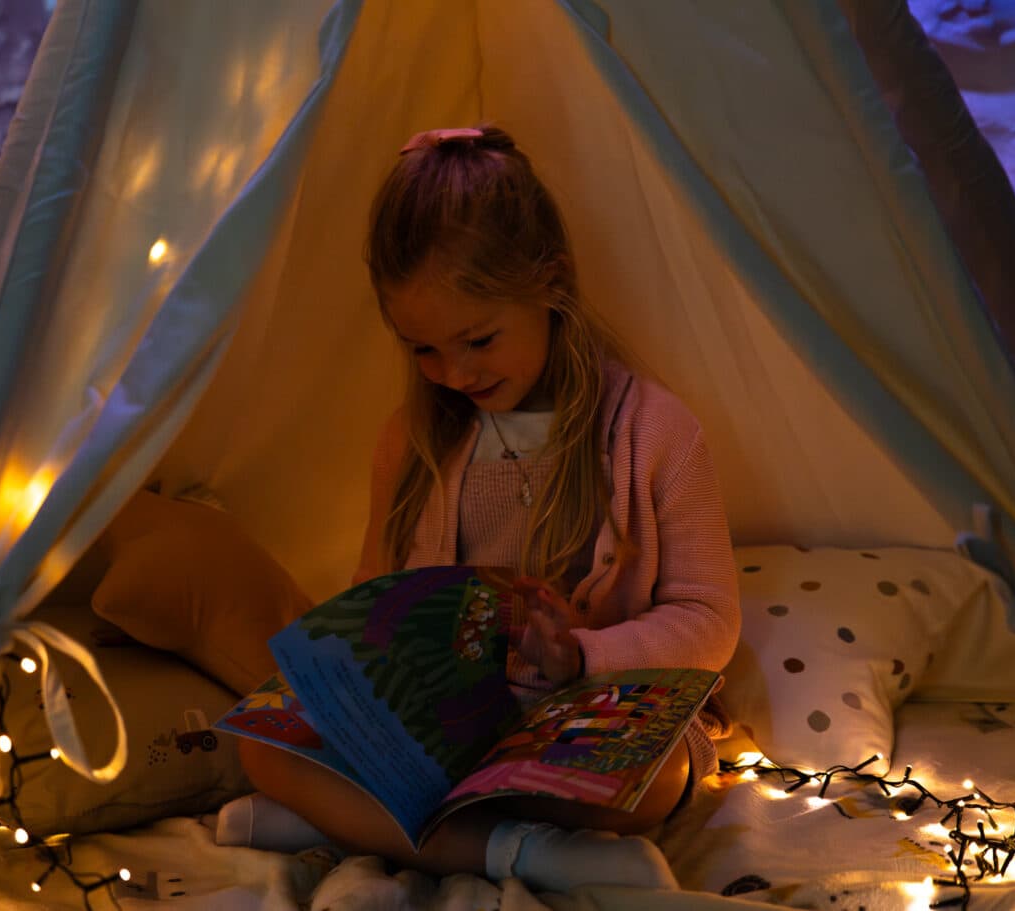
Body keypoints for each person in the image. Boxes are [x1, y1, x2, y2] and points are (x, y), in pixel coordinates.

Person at [219, 125, 740, 893]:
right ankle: (513, 851)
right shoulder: (411, 440)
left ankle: (355, 824)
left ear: (551, 284)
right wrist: (350, 661)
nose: (453, 373)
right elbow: (375, 585)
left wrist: (584, 659)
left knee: (656, 780)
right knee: (264, 745)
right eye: (423, 350)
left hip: (588, 714)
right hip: (447, 729)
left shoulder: (655, 431)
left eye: (478, 340)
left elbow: (708, 617)